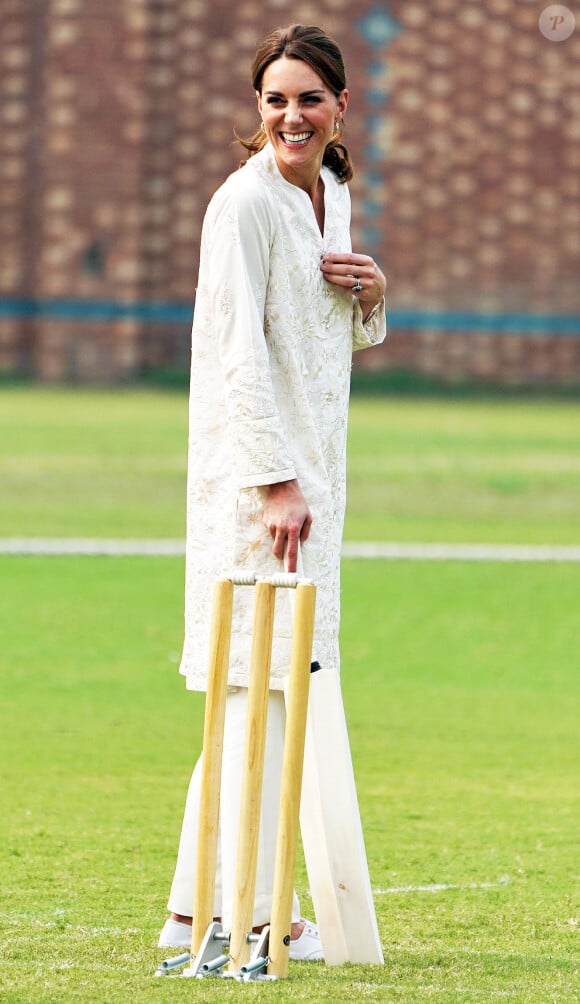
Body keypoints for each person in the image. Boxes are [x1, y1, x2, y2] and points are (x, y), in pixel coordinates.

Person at [158, 23, 387, 961]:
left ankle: (191, 911)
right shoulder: (240, 206)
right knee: (253, 696)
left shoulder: (328, 193)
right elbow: (233, 353)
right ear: (258, 110)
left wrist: (372, 295)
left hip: (315, 488)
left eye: (308, 98)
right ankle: (244, 912)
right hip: (261, 493)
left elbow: (330, 332)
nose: (291, 115)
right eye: (274, 99)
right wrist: (276, 481)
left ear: (340, 106)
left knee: (274, 696)